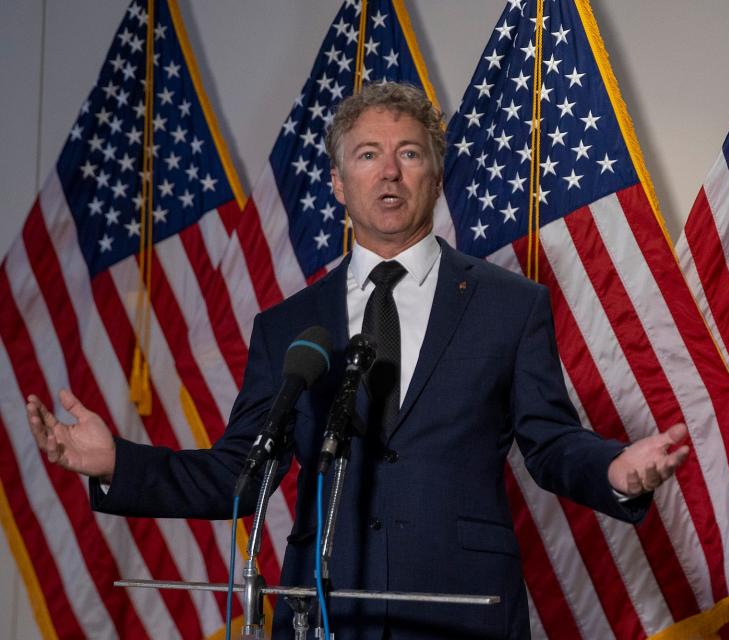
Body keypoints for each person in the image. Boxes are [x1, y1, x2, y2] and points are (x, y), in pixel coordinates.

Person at [26, 82, 690, 640]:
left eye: (409, 153)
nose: (390, 171)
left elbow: (549, 444)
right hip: (326, 608)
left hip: (461, 608)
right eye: (368, 155)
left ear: (435, 172)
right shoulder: (289, 326)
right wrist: (117, 460)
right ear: (340, 185)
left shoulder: (510, 306)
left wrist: (616, 470)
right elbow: (240, 473)